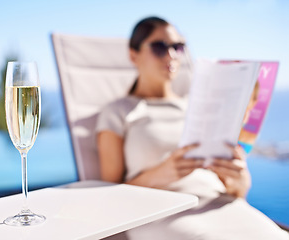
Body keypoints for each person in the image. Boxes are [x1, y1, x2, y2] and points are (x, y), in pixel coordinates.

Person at [96, 16, 288, 239]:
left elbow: (238, 192)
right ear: (133, 55)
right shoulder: (118, 111)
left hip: (223, 204)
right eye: (159, 47)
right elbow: (107, 197)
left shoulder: (201, 107)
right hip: (161, 213)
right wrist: (161, 174)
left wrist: (239, 180)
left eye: (178, 47)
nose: (171, 55)